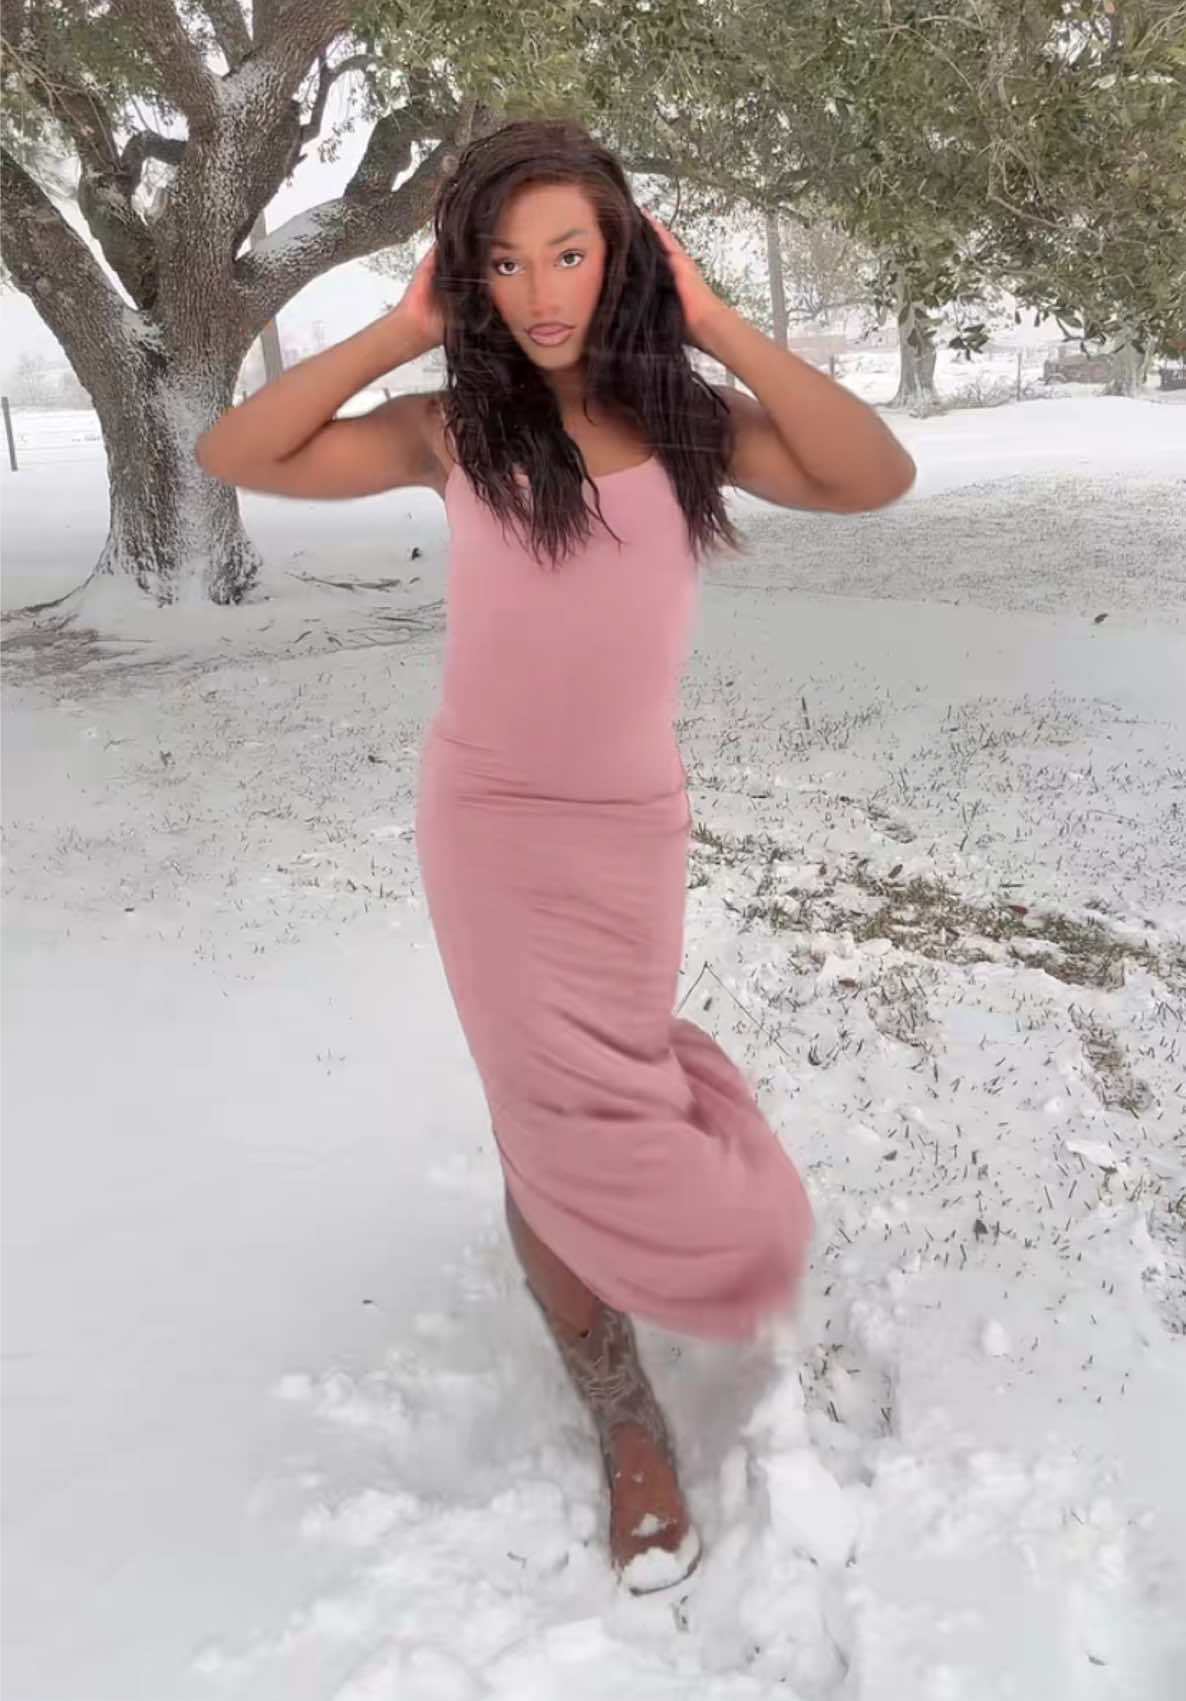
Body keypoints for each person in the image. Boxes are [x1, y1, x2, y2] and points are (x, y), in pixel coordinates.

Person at [197, 118, 915, 1594]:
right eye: (505, 261)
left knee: (606, 1096)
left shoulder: (689, 421)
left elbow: (871, 474)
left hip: (629, 834)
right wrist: (395, 328)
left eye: (571, 254)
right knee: (547, 1114)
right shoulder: (451, 429)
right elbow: (238, 451)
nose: (538, 291)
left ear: (623, 255)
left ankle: (651, 1183)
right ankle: (623, 1417)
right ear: (468, 276)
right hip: (489, 832)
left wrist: (714, 320)